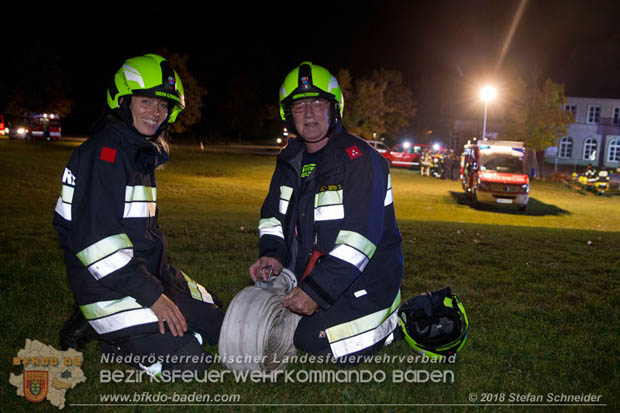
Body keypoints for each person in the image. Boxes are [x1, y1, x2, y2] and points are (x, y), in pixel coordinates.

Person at [53, 54, 223, 374]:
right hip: (108, 290)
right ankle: (114, 342)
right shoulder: (104, 155)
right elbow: (98, 245)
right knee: (193, 363)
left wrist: (166, 288)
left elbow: (142, 238)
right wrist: (154, 297)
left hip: (142, 279)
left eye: (163, 106)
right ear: (123, 100)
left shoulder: (137, 153)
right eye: (146, 102)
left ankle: (137, 328)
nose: (156, 113)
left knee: (218, 323)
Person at [249, 62, 403, 363]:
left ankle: (387, 324)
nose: (308, 113)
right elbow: (271, 218)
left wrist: (316, 292)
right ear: (289, 115)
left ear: (334, 109)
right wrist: (272, 253)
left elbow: (360, 240)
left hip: (363, 283)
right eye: (299, 106)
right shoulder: (289, 160)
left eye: (317, 103)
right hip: (311, 277)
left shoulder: (360, 160)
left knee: (307, 339)